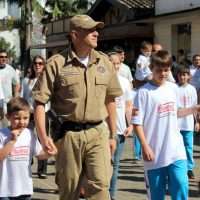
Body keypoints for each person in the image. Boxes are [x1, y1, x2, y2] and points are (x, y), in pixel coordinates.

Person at [32, 14, 122, 200]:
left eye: (96, 30)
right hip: (68, 136)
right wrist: (43, 136)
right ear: (74, 35)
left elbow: (110, 100)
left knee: (100, 185)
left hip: (98, 133)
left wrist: (113, 135)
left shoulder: (104, 62)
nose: (96, 33)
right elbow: (40, 102)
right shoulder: (56, 64)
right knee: (69, 188)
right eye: (89, 30)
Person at [132, 50, 200, 200]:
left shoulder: (172, 88)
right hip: (154, 154)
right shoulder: (143, 93)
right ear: (151, 68)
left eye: (166, 70)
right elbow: (137, 123)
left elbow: (176, 112)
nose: (162, 73)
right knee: (157, 195)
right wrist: (144, 146)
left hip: (176, 150)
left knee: (181, 185)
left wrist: (194, 109)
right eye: (159, 70)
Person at [0, 97, 57, 199]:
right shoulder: (2, 134)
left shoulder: (29, 134)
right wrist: (12, 141)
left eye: (25, 118)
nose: (22, 122)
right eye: (17, 118)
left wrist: (50, 153)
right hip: (5, 190)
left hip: (25, 189)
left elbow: (39, 155)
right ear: (8, 117)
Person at [108, 53, 133, 200]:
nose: (115, 66)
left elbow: (128, 106)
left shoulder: (124, 82)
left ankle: (112, 195)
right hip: (103, 131)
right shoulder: (100, 81)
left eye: (117, 63)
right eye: (112, 63)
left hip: (120, 131)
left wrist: (130, 126)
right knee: (102, 165)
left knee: (115, 166)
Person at [21, 55, 50, 179]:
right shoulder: (27, 80)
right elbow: (23, 97)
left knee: (43, 140)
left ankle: (42, 170)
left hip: (44, 113)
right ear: (32, 66)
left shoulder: (48, 80)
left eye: (40, 63)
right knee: (26, 137)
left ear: (44, 65)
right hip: (29, 113)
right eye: (35, 63)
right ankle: (28, 159)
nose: (37, 65)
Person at [177, 67, 198, 179]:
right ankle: (178, 168)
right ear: (178, 76)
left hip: (188, 124)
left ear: (189, 76)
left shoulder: (192, 89)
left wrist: (197, 122)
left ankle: (189, 168)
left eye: (185, 75)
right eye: (181, 75)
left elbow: (195, 107)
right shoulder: (174, 88)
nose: (183, 77)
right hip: (176, 124)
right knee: (176, 147)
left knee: (188, 147)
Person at [0, 49, 20, 128]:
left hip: (7, 104)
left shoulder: (10, 69)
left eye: (5, 57)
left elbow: (17, 84)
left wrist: (15, 97)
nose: (3, 59)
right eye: (1, 57)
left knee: (7, 128)